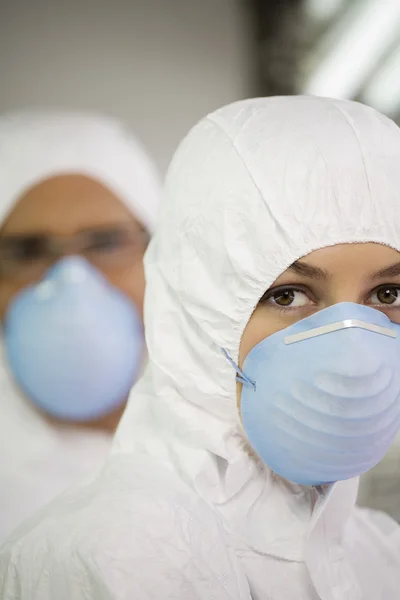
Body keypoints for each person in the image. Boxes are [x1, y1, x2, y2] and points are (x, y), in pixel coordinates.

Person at [1, 96, 400, 600]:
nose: (353, 350)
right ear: (197, 305)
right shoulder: (115, 564)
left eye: (388, 294)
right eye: (287, 294)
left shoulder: (377, 553)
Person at [0, 109, 161, 541]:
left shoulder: (237, 462)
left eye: (106, 242)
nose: (71, 278)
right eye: (28, 250)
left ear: (162, 255)